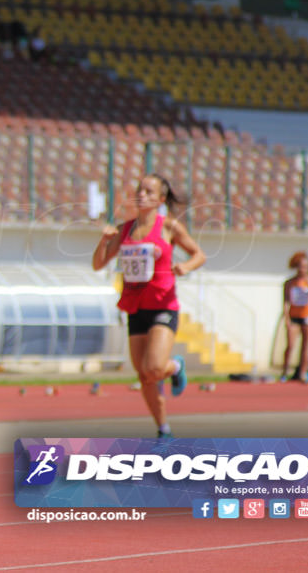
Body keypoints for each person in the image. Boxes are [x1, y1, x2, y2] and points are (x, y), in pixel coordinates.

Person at [92, 174, 205, 439]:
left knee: (154, 367)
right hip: (135, 305)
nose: (141, 195)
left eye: (148, 191)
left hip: (162, 303)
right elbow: (98, 264)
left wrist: (185, 267)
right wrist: (103, 241)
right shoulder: (125, 229)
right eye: (139, 190)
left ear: (160, 199)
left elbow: (199, 254)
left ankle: (175, 367)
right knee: (144, 375)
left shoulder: (169, 227)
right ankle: (163, 429)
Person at [281, 251, 308, 382]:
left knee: (306, 346)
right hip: (293, 316)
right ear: (296, 267)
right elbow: (285, 301)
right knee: (290, 344)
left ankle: (303, 372)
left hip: (306, 316)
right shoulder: (290, 282)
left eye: (305, 267)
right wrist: (286, 318)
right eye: (301, 266)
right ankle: (285, 371)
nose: (303, 269)